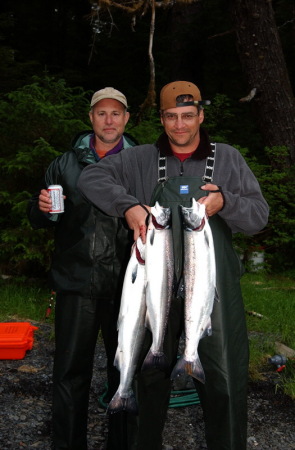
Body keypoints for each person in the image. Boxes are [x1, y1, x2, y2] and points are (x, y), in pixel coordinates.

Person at [78, 81, 269, 450]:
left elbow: (259, 216)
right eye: (171, 117)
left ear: (201, 115)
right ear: (161, 119)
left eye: (187, 116)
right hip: (154, 288)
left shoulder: (227, 158)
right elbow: (91, 177)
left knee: (225, 377)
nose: (179, 125)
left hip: (211, 290)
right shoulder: (139, 159)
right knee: (147, 374)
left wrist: (225, 202)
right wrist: (128, 206)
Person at [27, 87, 137, 450]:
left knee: (126, 374)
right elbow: (42, 218)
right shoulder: (64, 164)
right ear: (90, 118)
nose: (109, 120)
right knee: (70, 374)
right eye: (101, 113)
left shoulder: (144, 163)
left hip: (130, 285)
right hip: (77, 282)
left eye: (116, 113)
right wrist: (41, 209)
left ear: (126, 119)